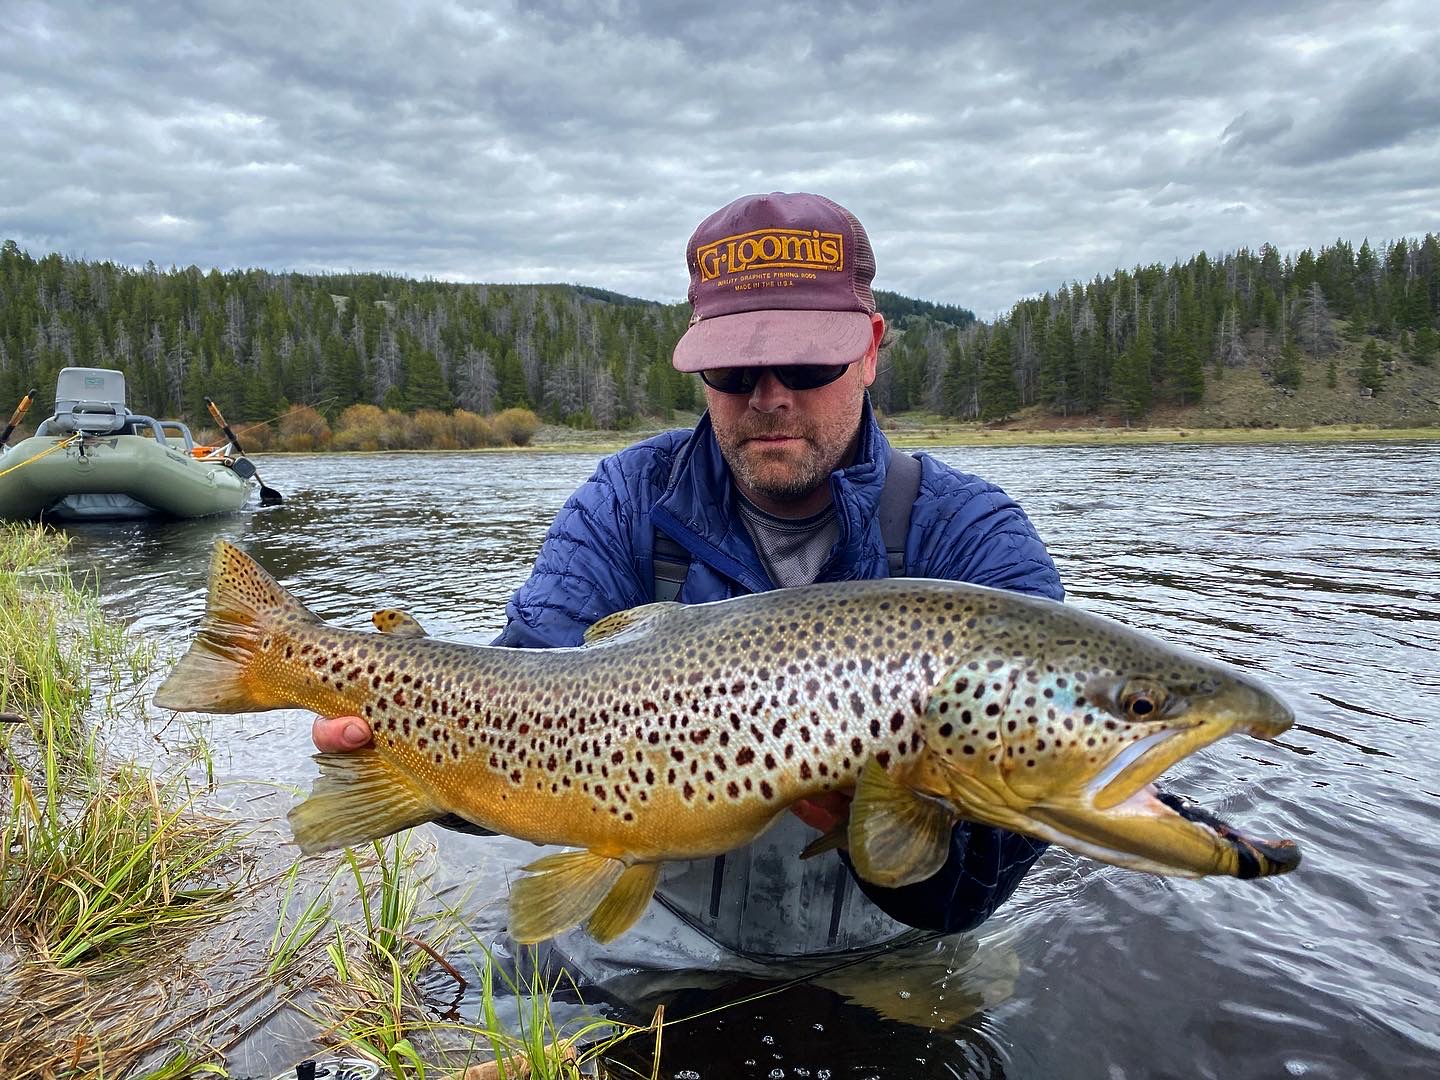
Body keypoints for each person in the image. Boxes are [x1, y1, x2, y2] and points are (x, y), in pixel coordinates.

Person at [312, 192, 1063, 981]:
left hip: (891, 952)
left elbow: (1010, 850)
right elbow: (522, 711)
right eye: (735, 366)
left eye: (809, 361)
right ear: (698, 362)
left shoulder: (968, 533)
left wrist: (883, 821)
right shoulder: (628, 500)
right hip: (652, 944)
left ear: (871, 351)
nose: (769, 394)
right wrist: (401, 756)